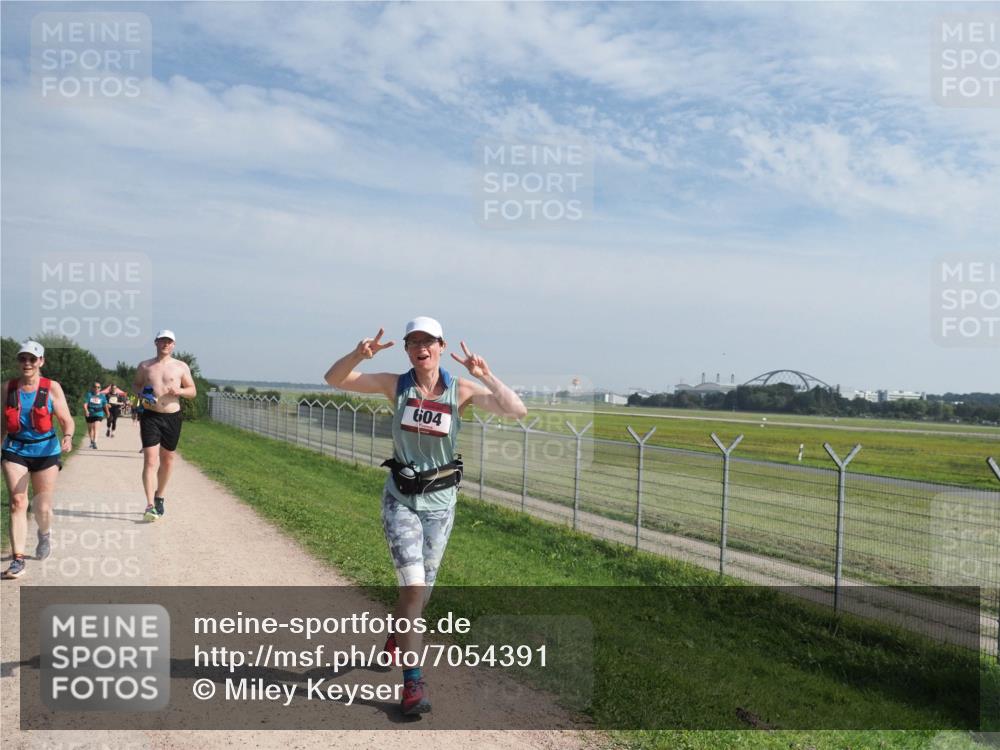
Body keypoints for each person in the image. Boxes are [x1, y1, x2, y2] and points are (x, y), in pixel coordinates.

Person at [324, 317, 526, 716]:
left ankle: (396, 638)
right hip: (401, 498)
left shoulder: (460, 390)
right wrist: (356, 354)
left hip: (442, 504)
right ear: (407, 349)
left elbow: (515, 410)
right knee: (414, 589)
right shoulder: (394, 385)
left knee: (420, 593)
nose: (422, 347)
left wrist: (486, 374)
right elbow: (335, 379)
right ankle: (412, 682)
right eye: (414, 341)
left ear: (440, 345)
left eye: (429, 341)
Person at [1, 341, 74, 579]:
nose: (27, 363)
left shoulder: (52, 388)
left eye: (32, 359)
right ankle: (18, 559)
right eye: (23, 359)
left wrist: (69, 436)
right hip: (15, 449)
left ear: (41, 361)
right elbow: (3, 423)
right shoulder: (8, 388)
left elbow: (66, 419)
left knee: (42, 505)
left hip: (45, 451)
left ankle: (44, 534)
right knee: (18, 501)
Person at [133, 330, 197, 522]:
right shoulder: (145, 366)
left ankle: (160, 496)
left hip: (172, 417)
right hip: (150, 416)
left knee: (167, 459)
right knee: (150, 461)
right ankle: (150, 504)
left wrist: (180, 390)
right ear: (156, 342)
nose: (165, 344)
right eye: (162, 341)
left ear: (174, 345)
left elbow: (192, 391)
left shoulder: (181, 366)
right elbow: (135, 386)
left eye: (169, 342)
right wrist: (142, 394)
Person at [83, 380, 108, 449]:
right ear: (92, 388)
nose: (96, 388)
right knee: (90, 429)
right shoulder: (89, 394)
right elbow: (85, 404)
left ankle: (95, 442)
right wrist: (86, 410)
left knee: (96, 428)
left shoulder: (102, 396)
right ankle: (91, 441)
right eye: (95, 387)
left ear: (100, 388)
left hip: (99, 413)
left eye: (98, 387)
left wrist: (107, 413)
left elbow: (105, 405)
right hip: (89, 413)